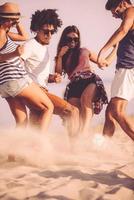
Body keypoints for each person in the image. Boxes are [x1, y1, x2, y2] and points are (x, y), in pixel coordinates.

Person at [21, 9, 79, 137]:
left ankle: (19, 154)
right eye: (45, 31)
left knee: (34, 131)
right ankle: (76, 149)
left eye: (52, 32)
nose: (49, 35)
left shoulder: (43, 48)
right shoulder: (30, 45)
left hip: (39, 90)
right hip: (35, 91)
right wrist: (27, 87)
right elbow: (17, 64)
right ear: (36, 29)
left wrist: (51, 78)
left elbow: (37, 74)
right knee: (72, 111)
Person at [0, 2, 54, 133]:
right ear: (7, 20)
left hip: (5, 84)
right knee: (48, 107)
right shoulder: (0, 33)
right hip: (16, 79)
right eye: (13, 20)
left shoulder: (5, 32)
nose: (15, 23)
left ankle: (15, 152)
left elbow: (24, 37)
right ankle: (40, 143)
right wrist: (15, 53)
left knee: (22, 121)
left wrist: (17, 22)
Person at [55, 25, 117, 135]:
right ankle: (75, 143)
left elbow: (104, 63)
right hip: (74, 85)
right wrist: (59, 56)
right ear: (64, 39)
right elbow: (58, 75)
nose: (73, 41)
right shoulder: (63, 56)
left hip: (90, 80)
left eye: (76, 39)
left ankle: (84, 132)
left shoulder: (84, 50)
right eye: (69, 39)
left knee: (85, 100)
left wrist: (116, 49)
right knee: (73, 115)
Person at [97, 0, 134, 140]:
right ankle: (104, 148)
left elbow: (122, 30)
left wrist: (103, 50)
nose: (114, 15)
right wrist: (106, 60)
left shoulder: (131, 11)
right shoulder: (127, 21)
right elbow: (119, 43)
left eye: (115, 10)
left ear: (123, 3)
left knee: (117, 111)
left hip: (128, 68)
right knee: (110, 113)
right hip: (125, 68)